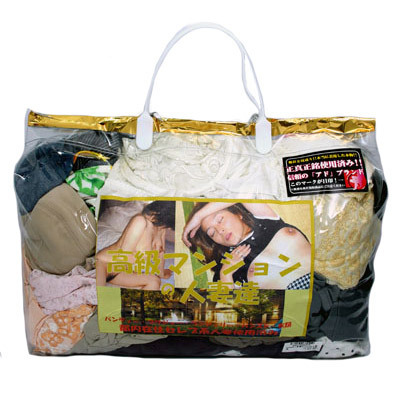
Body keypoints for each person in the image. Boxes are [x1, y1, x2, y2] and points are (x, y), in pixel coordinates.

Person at [182, 202, 311, 290]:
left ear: (238, 213)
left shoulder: (265, 220)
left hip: (318, 282)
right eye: (212, 233)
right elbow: (228, 305)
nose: (220, 230)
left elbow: (242, 193)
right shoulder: (226, 265)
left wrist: (199, 216)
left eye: (220, 220)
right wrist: (226, 274)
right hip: (296, 303)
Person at [96, 201, 174, 289]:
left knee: (155, 281)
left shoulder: (161, 229)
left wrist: (161, 273)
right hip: (104, 264)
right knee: (96, 294)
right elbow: (124, 255)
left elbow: (161, 253)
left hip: (120, 272)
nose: (169, 228)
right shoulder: (140, 221)